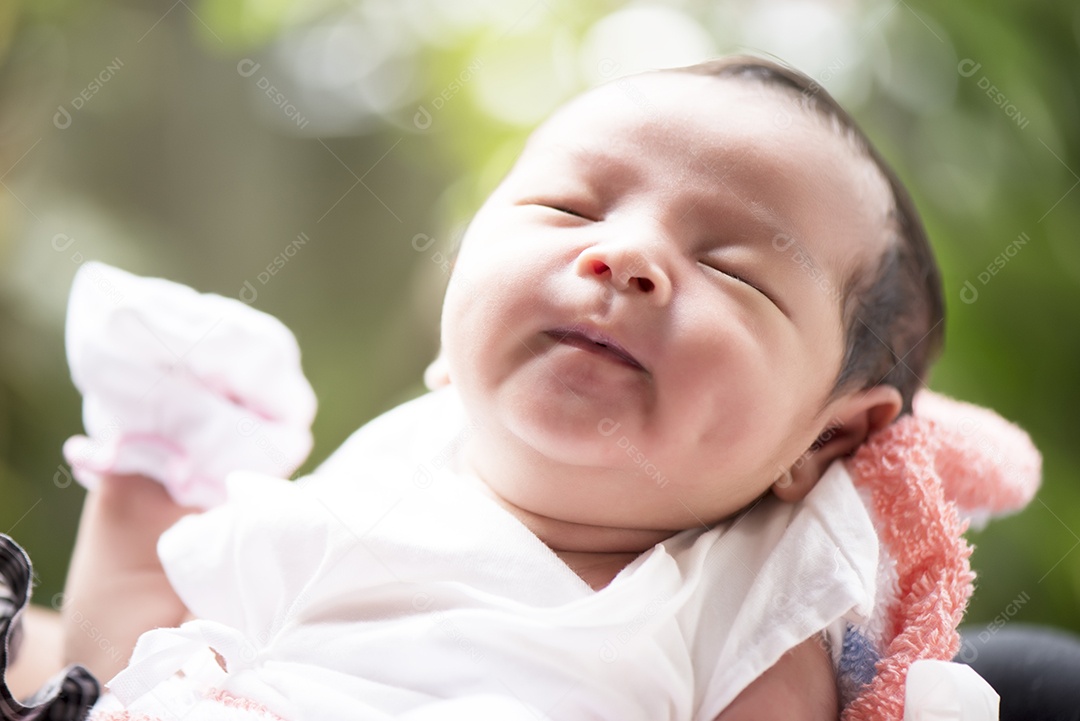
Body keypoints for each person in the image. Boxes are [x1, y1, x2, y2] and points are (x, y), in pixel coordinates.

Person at [6, 55, 969, 720]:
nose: (624, 252)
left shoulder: (757, 584)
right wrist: (148, 489)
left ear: (829, 440)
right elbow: (120, 666)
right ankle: (149, 471)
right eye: (567, 206)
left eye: (734, 270)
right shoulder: (380, 479)